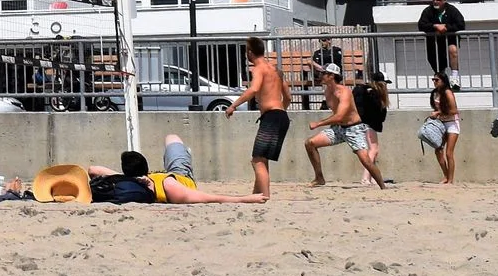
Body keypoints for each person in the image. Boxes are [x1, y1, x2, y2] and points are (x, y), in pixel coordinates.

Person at [86, 140, 267, 205]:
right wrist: (244, 199)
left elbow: (93, 170)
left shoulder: (132, 182)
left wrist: (131, 178)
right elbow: (207, 197)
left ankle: (182, 152)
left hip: (156, 175)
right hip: (180, 175)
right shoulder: (169, 186)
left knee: (170, 140)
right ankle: (185, 153)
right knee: (172, 138)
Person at [221, 35, 288, 197]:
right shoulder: (275, 70)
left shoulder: (258, 69)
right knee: (262, 160)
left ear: (249, 53)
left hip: (271, 117)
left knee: (257, 160)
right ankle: (256, 193)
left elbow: (254, 89)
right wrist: (280, 111)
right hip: (281, 116)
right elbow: (288, 96)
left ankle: (264, 197)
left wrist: (233, 106)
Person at [304, 56, 379, 189]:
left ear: (331, 76)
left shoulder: (344, 92)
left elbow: (339, 116)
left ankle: (382, 186)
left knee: (366, 161)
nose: (321, 76)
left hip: (354, 129)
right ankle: (319, 177)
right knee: (310, 143)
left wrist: (318, 123)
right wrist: (311, 64)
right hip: (339, 129)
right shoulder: (327, 91)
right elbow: (338, 119)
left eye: (324, 74)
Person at [352, 63, 392, 187]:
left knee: (369, 151)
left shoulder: (361, 90)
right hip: (369, 125)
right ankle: (365, 177)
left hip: (358, 123)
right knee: (373, 150)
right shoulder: (377, 95)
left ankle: (372, 177)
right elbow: (381, 116)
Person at [420, 69, 460, 184]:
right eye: (433, 80)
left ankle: (451, 179)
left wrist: (438, 113)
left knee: (449, 153)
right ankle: (446, 176)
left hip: (452, 123)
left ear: (443, 81)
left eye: (437, 80)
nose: (434, 82)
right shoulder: (435, 93)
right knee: (438, 150)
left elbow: (454, 110)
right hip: (441, 123)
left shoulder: (447, 92)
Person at [419, 0, 464, 79]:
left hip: (450, 38)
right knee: (434, 58)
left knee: (453, 50)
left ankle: (455, 78)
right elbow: (421, 25)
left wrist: (446, 27)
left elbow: (461, 24)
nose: (435, 1)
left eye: (438, 0)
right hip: (434, 41)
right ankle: (441, 76)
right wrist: (435, 26)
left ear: (444, 1)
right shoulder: (428, 10)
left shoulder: (452, 10)